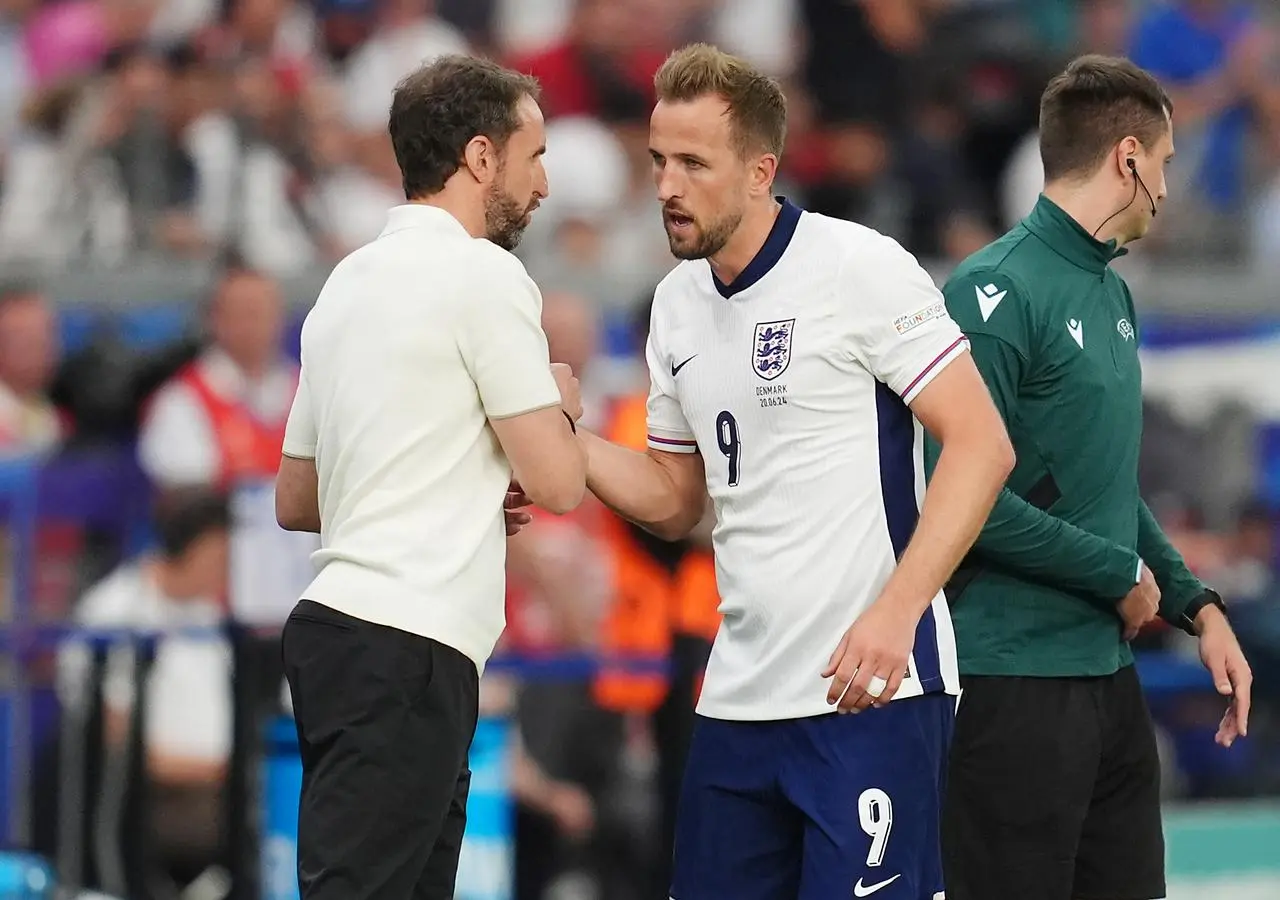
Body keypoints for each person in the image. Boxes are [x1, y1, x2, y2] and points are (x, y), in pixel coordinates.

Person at [571, 43, 1016, 900]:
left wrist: (896, 614)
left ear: (758, 171)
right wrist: (575, 443)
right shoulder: (674, 306)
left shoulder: (858, 266)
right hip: (736, 700)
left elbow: (981, 444)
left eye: (694, 163)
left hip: (871, 696)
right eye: (659, 160)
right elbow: (673, 501)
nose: (666, 184)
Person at [929, 54, 1254, 900]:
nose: (1169, 191)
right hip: (1012, 680)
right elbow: (957, 500)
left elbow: (1107, 487)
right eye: (1168, 165)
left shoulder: (1112, 294)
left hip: (1107, 682)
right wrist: (1116, 572)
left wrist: (1197, 604)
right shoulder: (990, 289)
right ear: (1130, 159)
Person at [273, 55, 587, 900]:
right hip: (407, 645)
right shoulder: (483, 274)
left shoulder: (344, 283)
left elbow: (297, 498)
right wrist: (559, 403)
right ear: (481, 158)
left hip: (347, 635)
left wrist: (464, 478)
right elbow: (560, 485)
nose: (545, 185)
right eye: (534, 156)